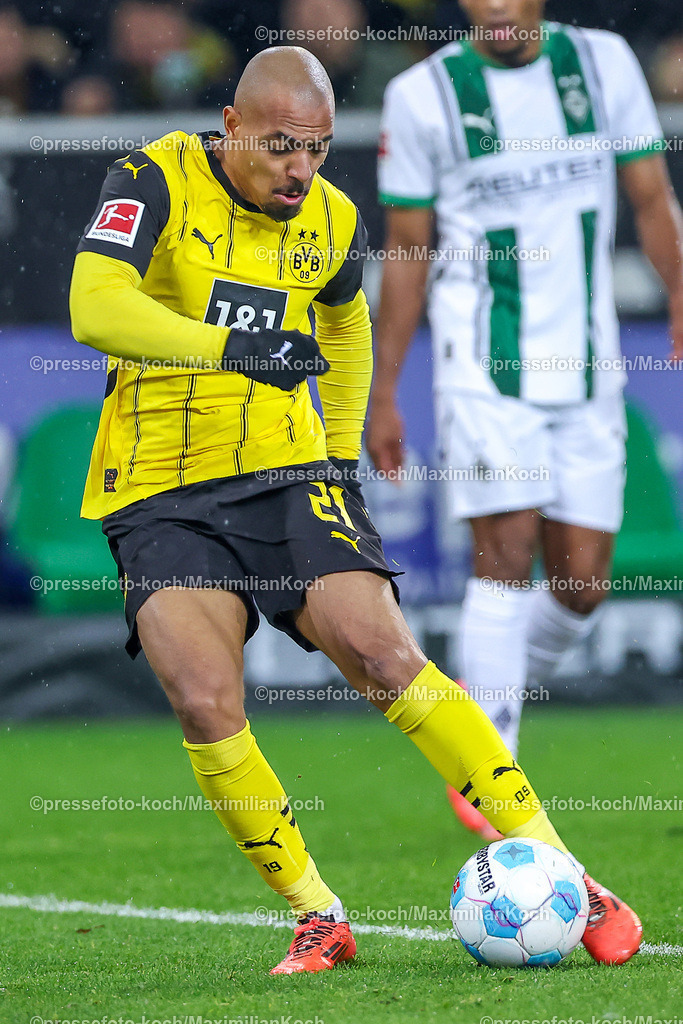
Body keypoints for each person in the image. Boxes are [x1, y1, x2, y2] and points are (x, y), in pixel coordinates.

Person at [70, 45, 641, 975]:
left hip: (288, 473)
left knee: (381, 652)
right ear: (232, 130)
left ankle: (574, 878)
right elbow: (93, 306)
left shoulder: (330, 219)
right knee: (205, 697)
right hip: (156, 487)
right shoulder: (153, 176)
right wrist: (227, 350)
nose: (301, 170)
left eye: (321, 150)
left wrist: (338, 454)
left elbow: (343, 324)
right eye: (283, 147)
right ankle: (317, 915)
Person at [368, 0, 683, 839]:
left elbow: (650, 195)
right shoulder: (422, 94)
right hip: (483, 371)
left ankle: (487, 702)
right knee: (501, 559)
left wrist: (681, 290)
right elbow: (407, 249)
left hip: (588, 366)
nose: (496, 7)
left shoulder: (602, 63)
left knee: (580, 585)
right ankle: (490, 764)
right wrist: (383, 387)